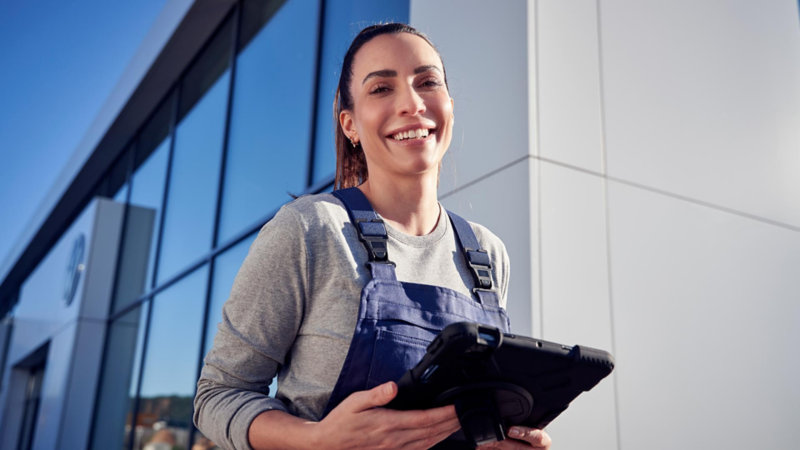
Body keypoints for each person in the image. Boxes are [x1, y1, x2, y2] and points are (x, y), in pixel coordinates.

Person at [193, 23, 552, 450]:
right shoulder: (311, 229)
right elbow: (216, 396)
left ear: (450, 107)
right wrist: (316, 440)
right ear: (350, 125)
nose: (412, 103)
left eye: (427, 82)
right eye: (381, 88)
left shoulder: (487, 254)